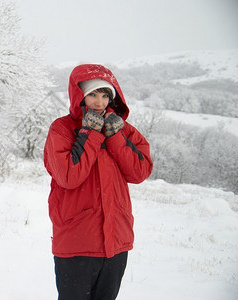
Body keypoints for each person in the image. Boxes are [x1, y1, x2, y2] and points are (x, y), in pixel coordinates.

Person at [43, 64, 153, 300]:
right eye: (92, 94)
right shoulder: (61, 129)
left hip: (116, 242)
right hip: (76, 241)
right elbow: (68, 176)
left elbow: (139, 172)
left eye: (105, 95)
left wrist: (115, 137)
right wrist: (90, 133)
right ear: (79, 95)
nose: (99, 102)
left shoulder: (124, 130)